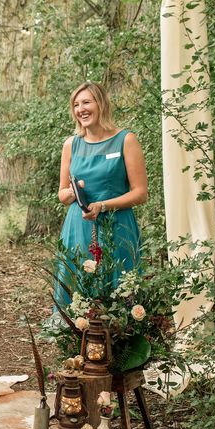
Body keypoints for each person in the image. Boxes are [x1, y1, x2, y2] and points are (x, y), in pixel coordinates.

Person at [54, 81, 148, 307]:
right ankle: (79, 341)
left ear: (101, 104)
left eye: (86, 102)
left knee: (120, 296)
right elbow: (62, 194)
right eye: (76, 105)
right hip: (79, 227)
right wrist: (74, 193)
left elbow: (141, 193)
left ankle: (121, 340)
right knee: (79, 296)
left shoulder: (126, 140)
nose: (81, 109)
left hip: (117, 226)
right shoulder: (71, 145)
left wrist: (103, 205)